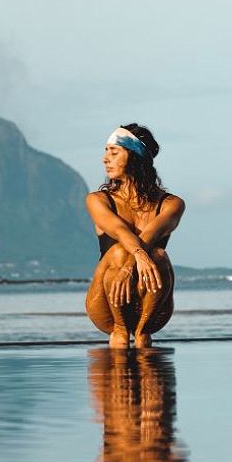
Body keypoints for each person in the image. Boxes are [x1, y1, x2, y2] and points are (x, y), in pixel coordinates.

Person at [85, 123, 185, 348]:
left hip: (151, 305)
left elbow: (151, 234)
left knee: (158, 254)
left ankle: (142, 334)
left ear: (135, 157)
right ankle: (120, 330)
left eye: (114, 152)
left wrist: (130, 267)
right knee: (119, 250)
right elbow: (119, 231)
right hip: (107, 302)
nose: (105, 159)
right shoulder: (98, 200)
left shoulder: (171, 204)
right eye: (106, 152)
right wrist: (136, 257)